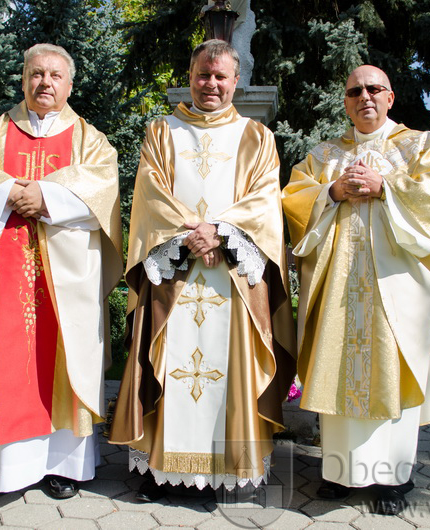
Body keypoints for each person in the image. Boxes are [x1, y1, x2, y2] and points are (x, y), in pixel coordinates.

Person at [108, 39, 296, 502]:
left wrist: (221, 233)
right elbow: (150, 192)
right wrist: (190, 236)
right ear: (190, 78)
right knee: (168, 359)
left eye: (220, 76)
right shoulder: (161, 131)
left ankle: (233, 471)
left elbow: (265, 200)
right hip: (175, 269)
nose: (211, 84)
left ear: (236, 81)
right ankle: (162, 471)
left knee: (230, 366)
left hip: (233, 276)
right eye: (202, 75)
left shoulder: (257, 136)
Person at [0, 43, 123, 499]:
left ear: (69, 84)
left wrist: (46, 197)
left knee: (65, 360)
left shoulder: (90, 139)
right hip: (1, 276)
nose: (45, 82)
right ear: (23, 80)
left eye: (55, 75)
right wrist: (6, 192)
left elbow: (103, 186)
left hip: (66, 279)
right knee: (3, 360)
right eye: (36, 74)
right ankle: (4, 467)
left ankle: (65, 468)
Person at [282, 65, 430, 515]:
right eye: (355, 91)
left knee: (392, 373)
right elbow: (292, 197)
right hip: (340, 290)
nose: (364, 96)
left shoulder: (419, 145)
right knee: (338, 372)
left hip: (397, 290)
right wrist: (332, 191)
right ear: (346, 102)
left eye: (373, 89)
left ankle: (393, 479)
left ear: (390, 97)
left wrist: (387, 187)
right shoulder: (325, 155)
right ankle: (339, 473)